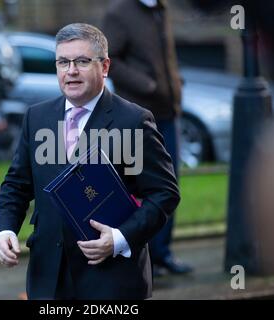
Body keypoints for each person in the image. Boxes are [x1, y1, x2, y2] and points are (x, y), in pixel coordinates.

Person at [0, 23, 180, 299]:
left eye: (81, 61)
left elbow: (164, 194)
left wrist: (119, 239)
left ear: (104, 67)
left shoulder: (134, 121)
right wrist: (5, 230)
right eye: (63, 62)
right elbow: (17, 185)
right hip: (49, 277)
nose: (71, 71)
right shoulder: (37, 117)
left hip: (111, 279)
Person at [102, 0, 193, 275]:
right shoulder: (119, 12)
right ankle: (142, 258)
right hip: (138, 117)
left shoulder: (161, 9)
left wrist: (174, 84)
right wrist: (147, 85)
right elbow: (110, 60)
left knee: (168, 185)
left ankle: (162, 253)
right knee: (138, 188)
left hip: (168, 112)